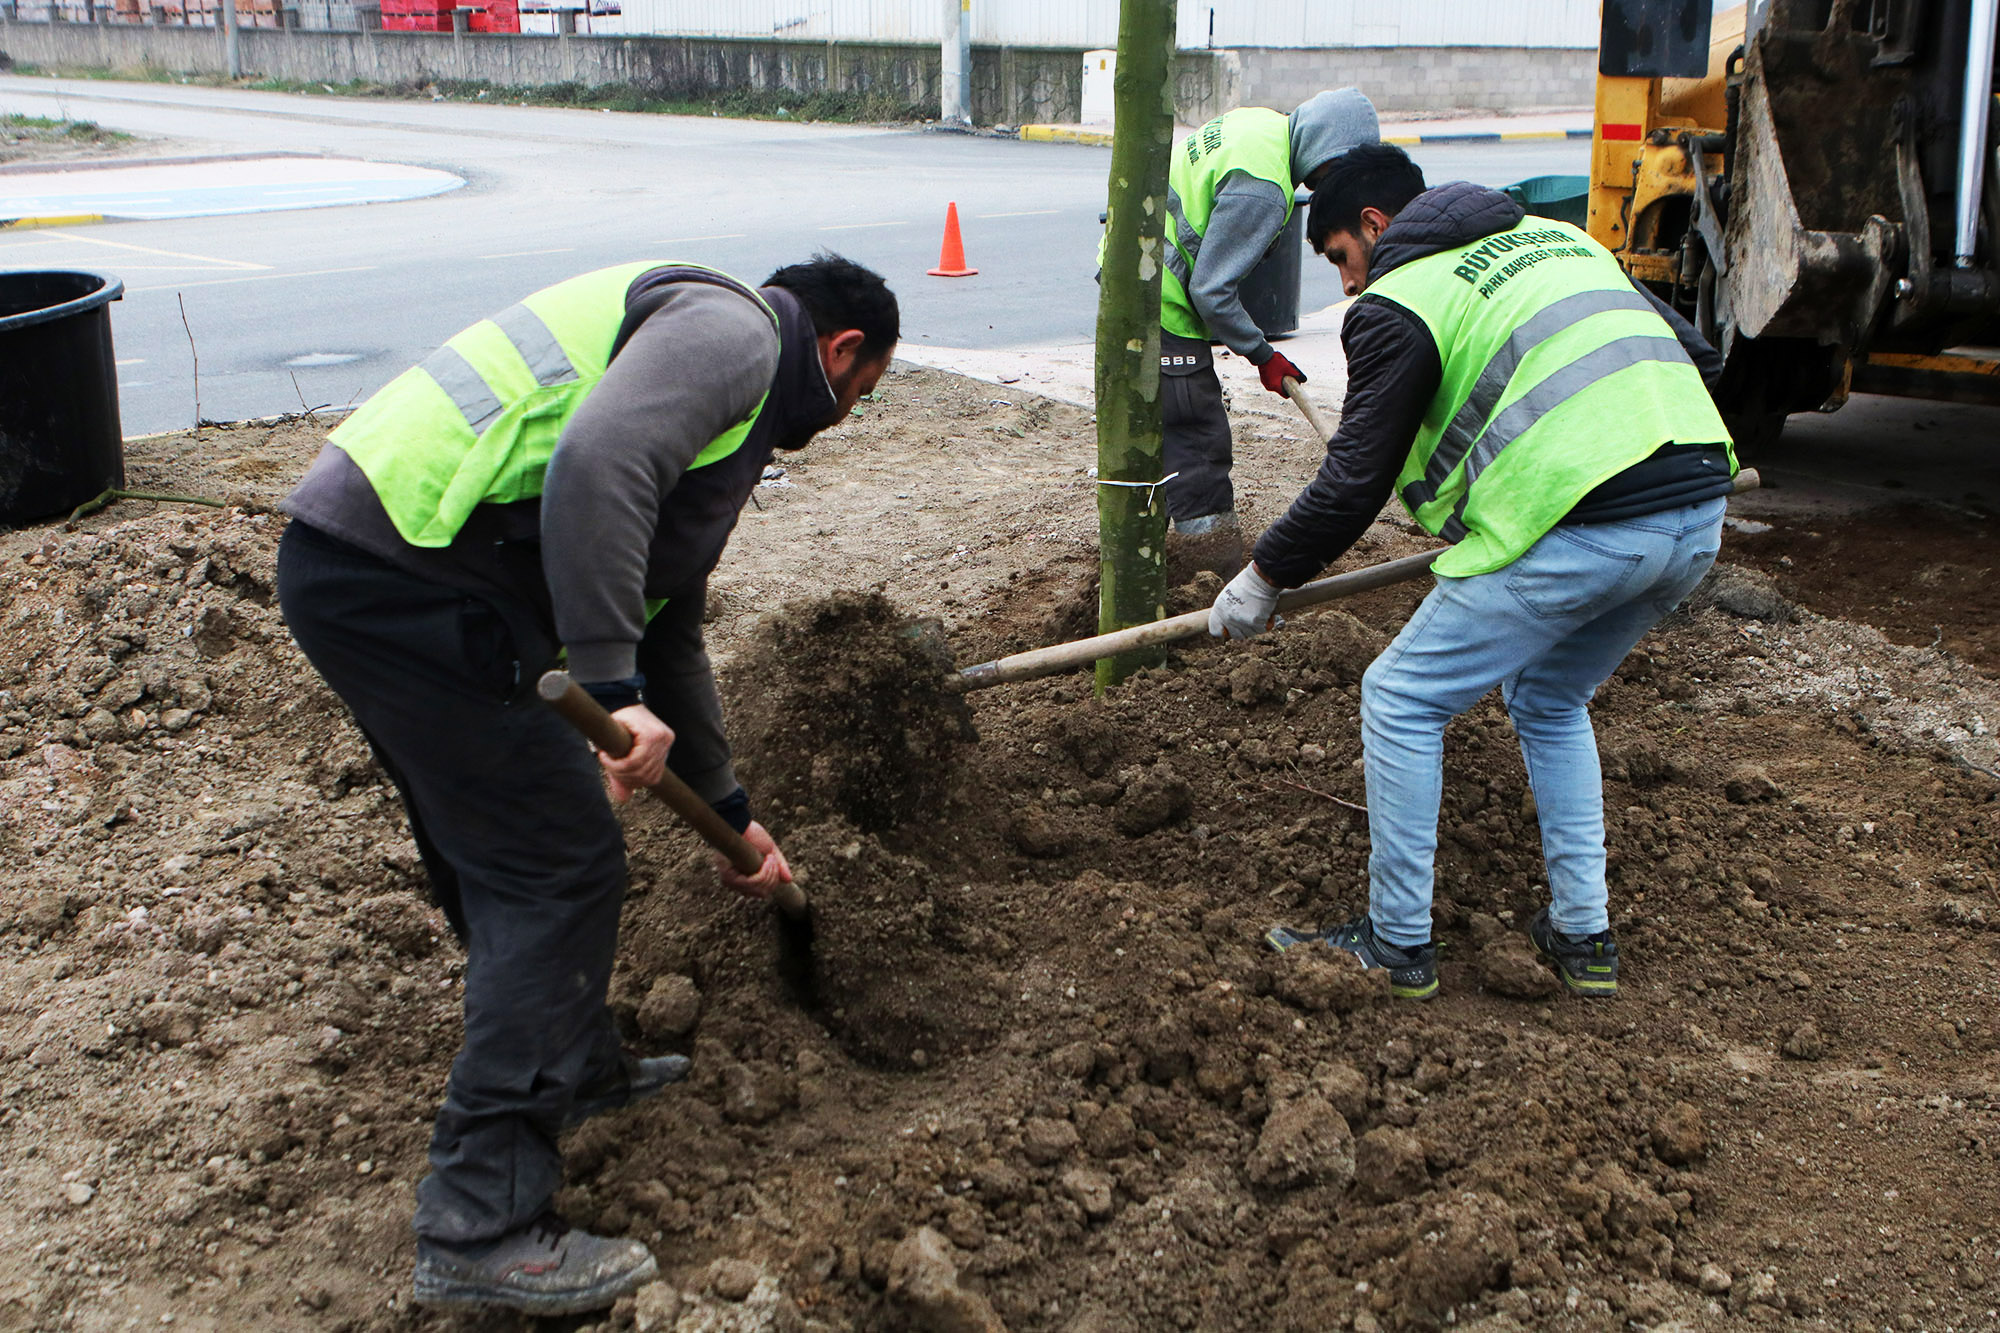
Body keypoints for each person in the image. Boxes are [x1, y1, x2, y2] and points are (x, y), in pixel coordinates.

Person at [275, 254, 898, 1313]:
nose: (845, 415)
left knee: (502, 841)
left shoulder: (719, 412)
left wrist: (729, 814)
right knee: (554, 867)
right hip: (411, 569)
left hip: (380, 564)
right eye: (862, 394)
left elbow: (675, 630)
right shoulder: (737, 335)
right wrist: (609, 681)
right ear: (840, 352)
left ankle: (570, 1066)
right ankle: (481, 1218)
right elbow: (595, 465)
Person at [1208, 144, 1733, 1001]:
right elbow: (1701, 365)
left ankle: (1397, 943)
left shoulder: (1398, 301)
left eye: (1340, 257)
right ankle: (1582, 935)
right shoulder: (1562, 242)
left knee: (1401, 697)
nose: (1346, 284)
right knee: (1550, 697)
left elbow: (1353, 483)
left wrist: (1264, 576)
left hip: (1584, 525)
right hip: (1697, 510)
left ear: (1374, 228)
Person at [1152, 88, 1379, 575]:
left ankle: (1145, 553)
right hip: (1160, 299)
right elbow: (1212, 292)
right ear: (1328, 157)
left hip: (1137, 277)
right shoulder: (1266, 184)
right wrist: (1261, 354)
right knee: (1195, 437)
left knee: (1155, 431)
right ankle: (1207, 572)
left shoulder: (1257, 126)